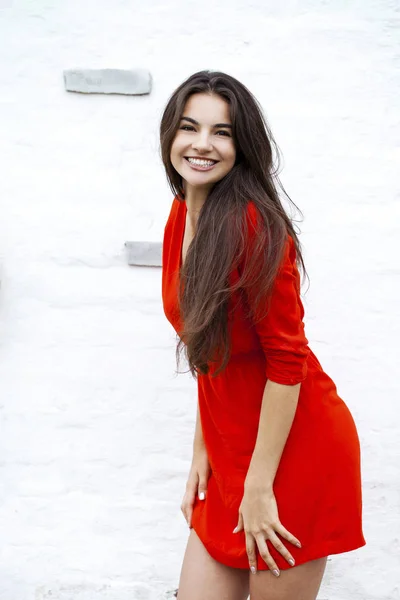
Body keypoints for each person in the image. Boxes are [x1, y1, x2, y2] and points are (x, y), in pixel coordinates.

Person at [160, 70, 365, 600]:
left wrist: (258, 485)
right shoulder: (182, 213)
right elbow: (209, 352)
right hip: (231, 451)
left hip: (292, 452)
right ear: (170, 136)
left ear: (242, 145)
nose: (202, 144)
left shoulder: (256, 226)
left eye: (222, 132)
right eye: (189, 127)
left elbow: (286, 362)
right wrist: (201, 452)